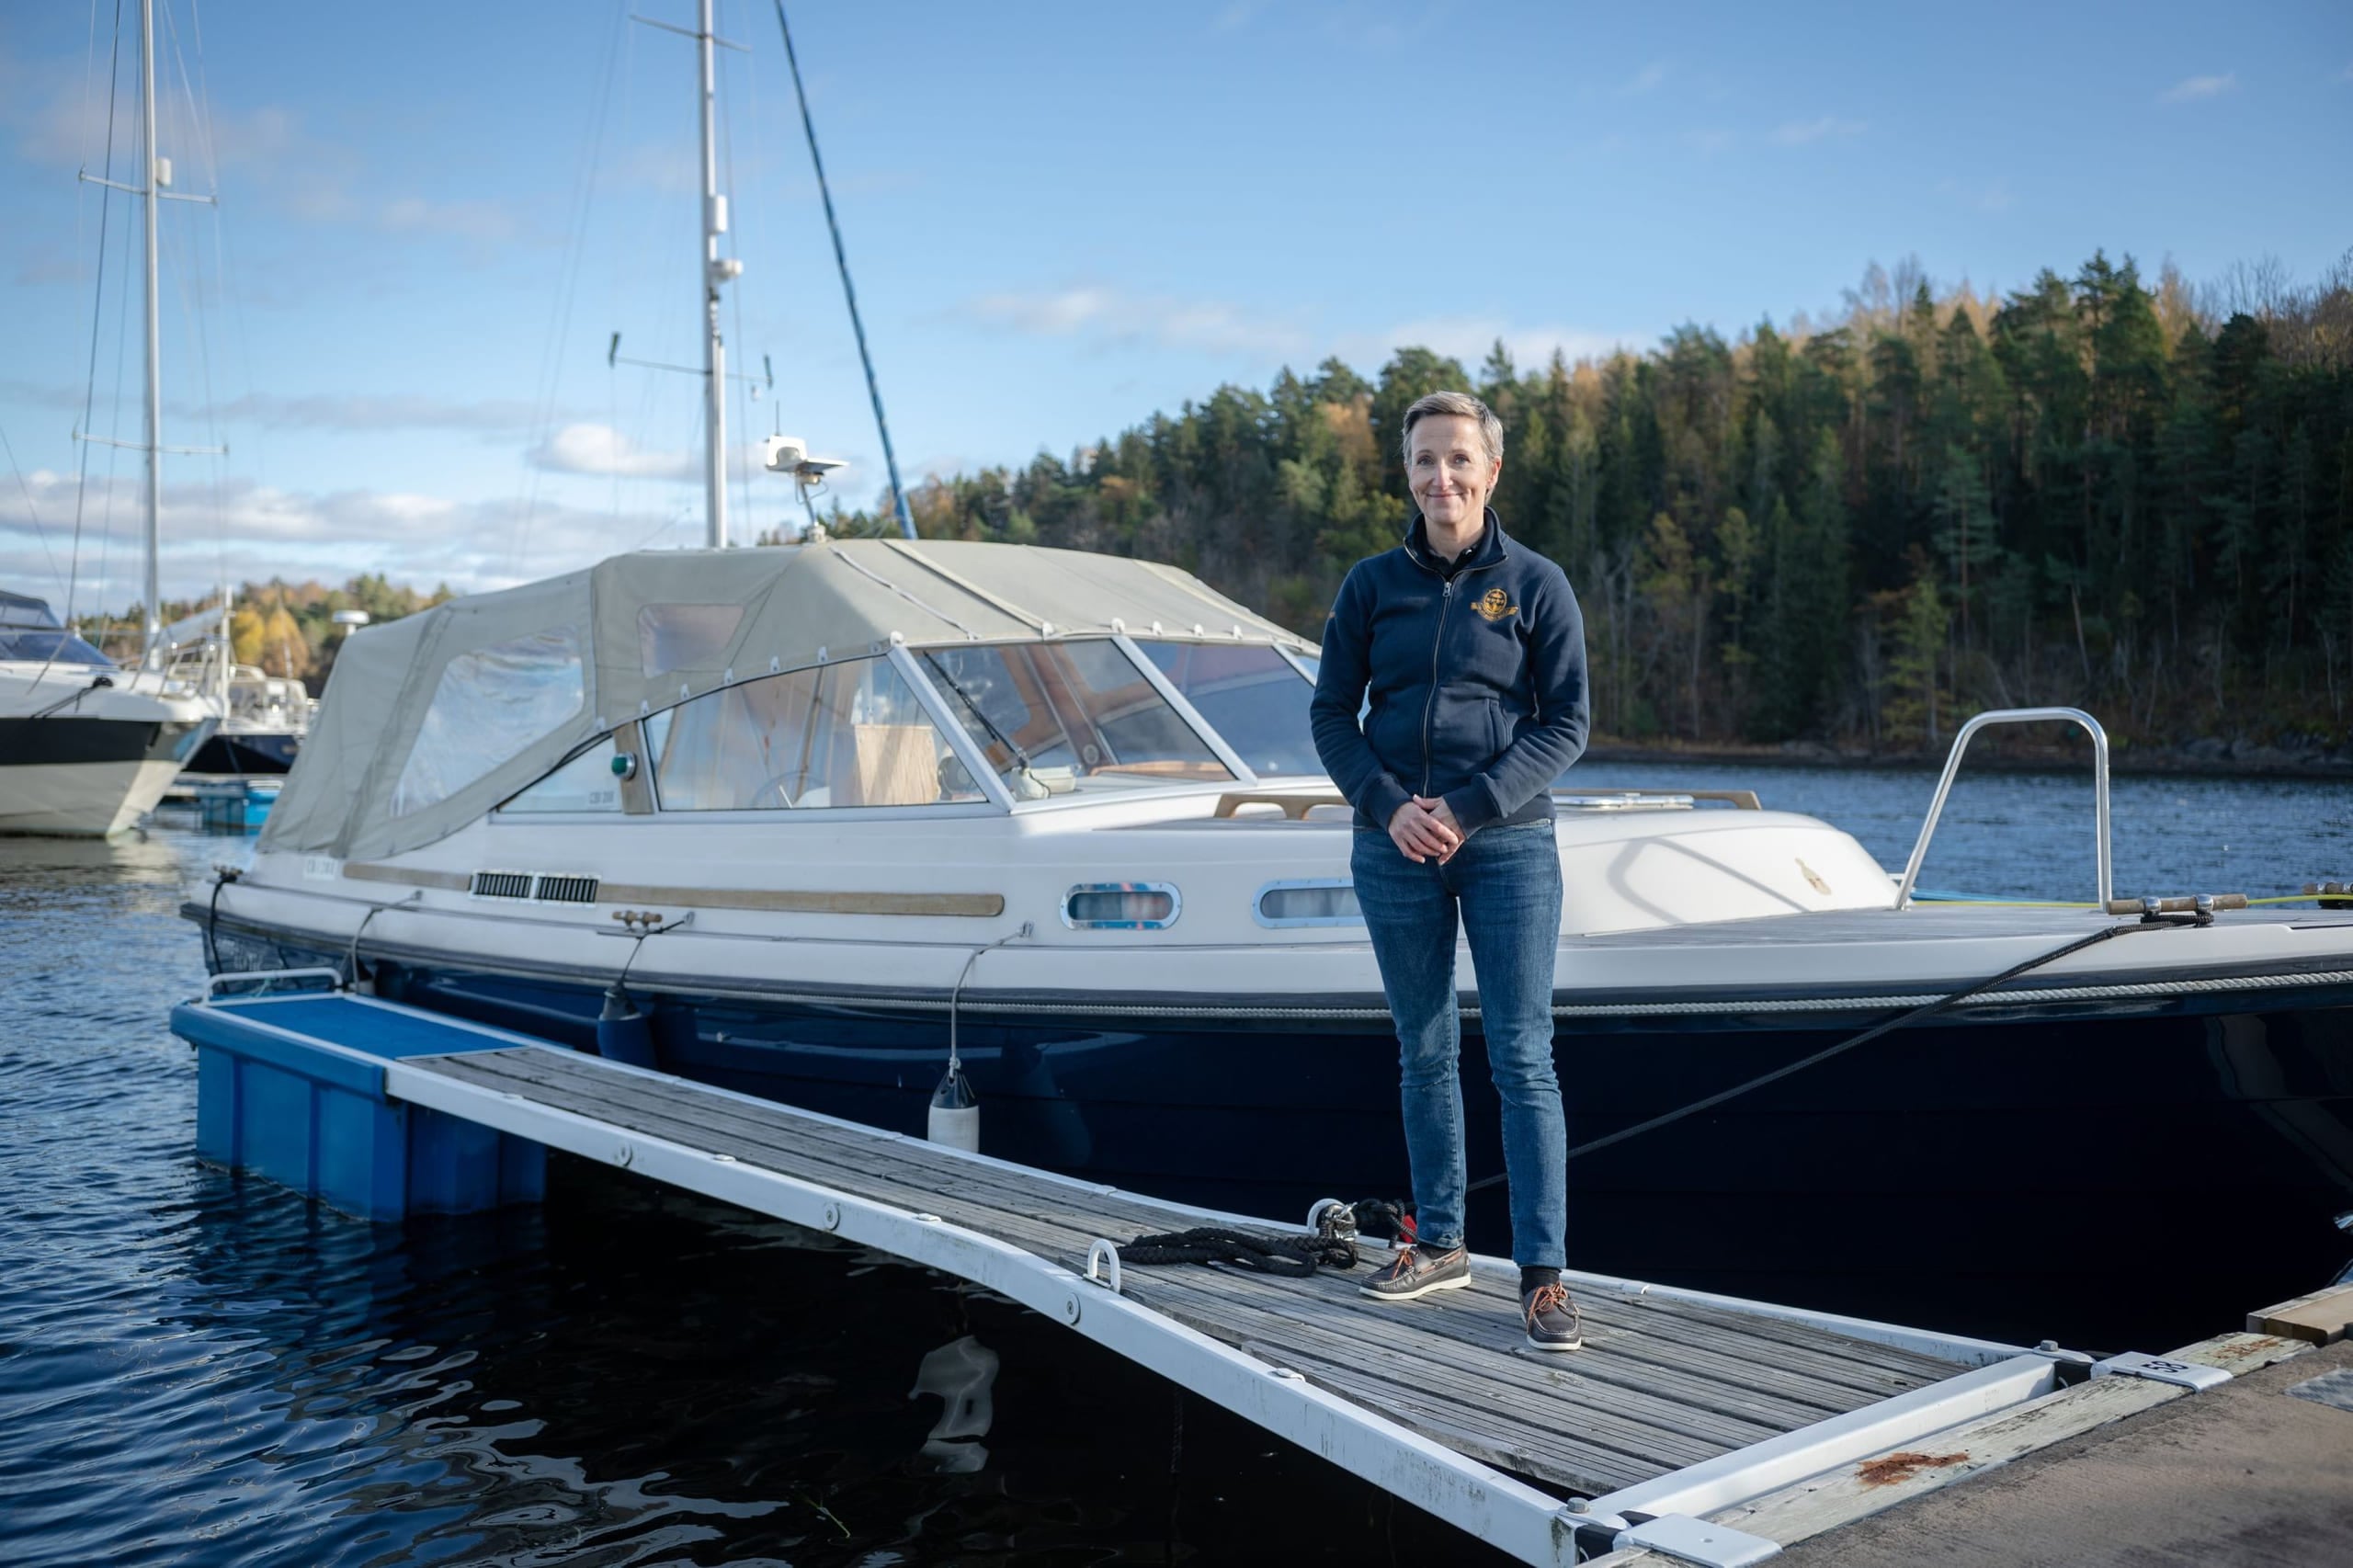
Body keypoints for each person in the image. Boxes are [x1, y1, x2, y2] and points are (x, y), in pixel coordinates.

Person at [1309, 390, 1590, 1351]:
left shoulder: (1537, 584)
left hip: (1507, 842)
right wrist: (1390, 806)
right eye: (1427, 460)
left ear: (1492, 470)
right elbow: (1329, 715)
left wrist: (1466, 808)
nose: (1443, 478)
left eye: (1459, 460)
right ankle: (1438, 1241)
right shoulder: (1370, 584)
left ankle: (1544, 1279)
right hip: (1391, 846)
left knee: (1521, 1055)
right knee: (1423, 1048)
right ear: (1408, 472)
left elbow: (1568, 722)